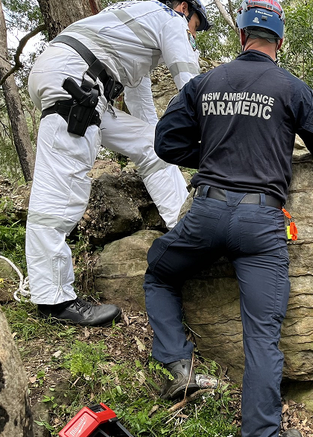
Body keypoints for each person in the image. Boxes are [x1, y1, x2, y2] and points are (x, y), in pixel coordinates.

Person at [144, 0, 313, 437]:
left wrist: (212, 154)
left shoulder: (204, 83)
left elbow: (164, 141)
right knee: (261, 336)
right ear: (279, 42)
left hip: (208, 211)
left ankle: (178, 364)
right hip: (261, 224)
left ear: (241, 37)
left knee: (158, 272)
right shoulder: (290, 87)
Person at [26, 0, 211, 326]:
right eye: (195, 27)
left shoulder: (139, 32)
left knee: (152, 145)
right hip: (74, 80)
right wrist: (217, 138)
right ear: (184, 8)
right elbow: (190, 83)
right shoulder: (169, 19)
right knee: (63, 189)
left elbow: (145, 115)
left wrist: (166, 142)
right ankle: (54, 300)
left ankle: (183, 225)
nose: (192, 35)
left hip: (80, 79)